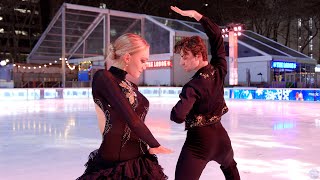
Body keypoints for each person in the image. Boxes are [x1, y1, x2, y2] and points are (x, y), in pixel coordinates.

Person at [77, 33, 172, 180]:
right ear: (127, 58)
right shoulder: (104, 78)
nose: (145, 66)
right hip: (114, 167)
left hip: (141, 163)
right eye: (142, 60)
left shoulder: (132, 85)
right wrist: (154, 144)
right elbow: (131, 118)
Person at [170, 6, 241, 180]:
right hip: (221, 138)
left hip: (198, 143)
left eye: (184, 57)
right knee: (230, 167)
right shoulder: (219, 69)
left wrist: (178, 107)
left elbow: (178, 116)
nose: (181, 62)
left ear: (199, 55)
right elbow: (216, 35)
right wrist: (197, 15)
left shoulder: (193, 86)